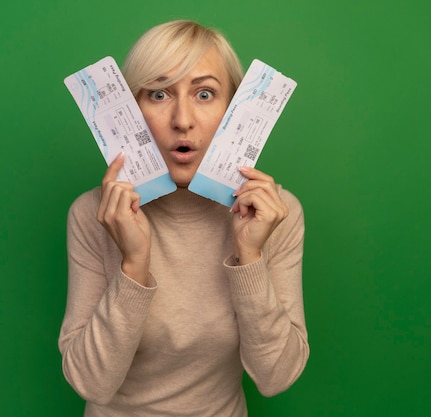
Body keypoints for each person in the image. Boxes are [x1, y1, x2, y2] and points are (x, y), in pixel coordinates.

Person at [58, 20, 309, 417]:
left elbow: (275, 377)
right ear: (130, 110)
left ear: (233, 110)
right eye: (158, 94)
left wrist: (250, 256)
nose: (182, 120)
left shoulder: (276, 214)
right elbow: (91, 384)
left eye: (205, 93)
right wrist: (134, 264)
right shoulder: (93, 215)